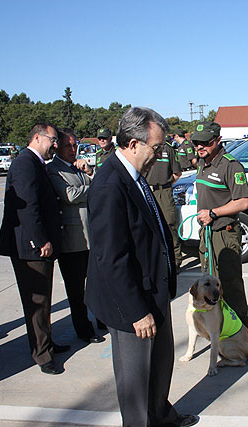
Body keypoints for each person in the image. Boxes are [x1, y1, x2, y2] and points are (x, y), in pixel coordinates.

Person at [86, 107, 198, 427]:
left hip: (154, 290)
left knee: (161, 365)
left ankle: (161, 414)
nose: (160, 154)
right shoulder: (110, 184)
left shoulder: (135, 176)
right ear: (133, 144)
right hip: (131, 302)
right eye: (156, 147)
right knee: (135, 382)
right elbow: (111, 258)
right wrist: (137, 311)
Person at [0, 123, 68, 375]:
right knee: (36, 301)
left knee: (43, 299)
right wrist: (40, 241)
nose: (56, 145)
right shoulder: (25, 163)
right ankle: (42, 354)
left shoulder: (35, 162)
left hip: (36, 245)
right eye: (53, 140)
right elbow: (27, 208)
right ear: (37, 137)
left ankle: (45, 342)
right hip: (30, 247)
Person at [47, 129, 104, 345]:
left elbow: (99, 185)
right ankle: (83, 328)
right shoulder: (54, 170)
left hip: (91, 235)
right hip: (72, 239)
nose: (72, 150)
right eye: (67, 146)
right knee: (76, 288)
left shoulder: (79, 168)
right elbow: (70, 195)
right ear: (57, 148)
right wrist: (92, 187)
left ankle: (102, 319)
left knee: (97, 282)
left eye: (74, 146)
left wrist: (90, 172)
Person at [192, 121, 248, 329]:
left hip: (225, 233)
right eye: (196, 143)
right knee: (209, 285)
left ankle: (242, 332)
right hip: (206, 232)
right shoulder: (202, 162)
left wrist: (213, 213)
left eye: (205, 143)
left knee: (230, 285)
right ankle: (220, 330)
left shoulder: (230, 165)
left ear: (217, 140)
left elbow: (243, 202)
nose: (200, 147)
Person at [147, 135, 183, 270]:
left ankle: (175, 261)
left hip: (164, 192)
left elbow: (177, 173)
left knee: (169, 224)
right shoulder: (146, 149)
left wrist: (166, 184)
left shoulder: (168, 150)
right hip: (148, 190)